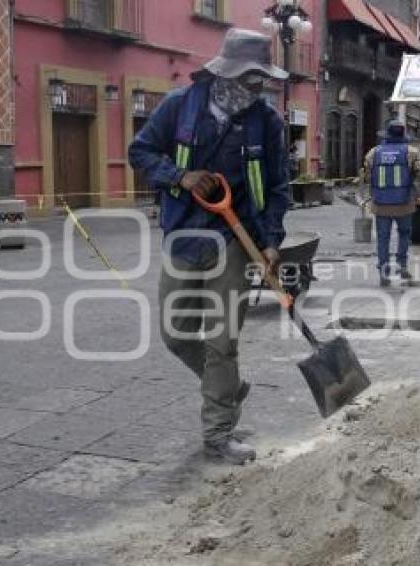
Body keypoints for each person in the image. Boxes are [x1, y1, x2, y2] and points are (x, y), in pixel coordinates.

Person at [128, 29, 290, 465]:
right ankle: (227, 386)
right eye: (250, 80)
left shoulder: (267, 122)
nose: (257, 89)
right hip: (182, 236)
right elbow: (139, 151)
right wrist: (177, 176)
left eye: (261, 81)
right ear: (226, 73)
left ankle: (218, 434)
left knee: (223, 342)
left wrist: (272, 241)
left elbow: (278, 187)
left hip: (232, 242)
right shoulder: (180, 106)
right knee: (176, 334)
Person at [362, 119, 420, 287]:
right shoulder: (411, 152)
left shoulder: (374, 153)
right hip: (404, 203)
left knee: (383, 237)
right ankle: (402, 265)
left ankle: (383, 271)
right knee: (404, 234)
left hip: (380, 203)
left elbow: (367, 175)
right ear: (403, 134)